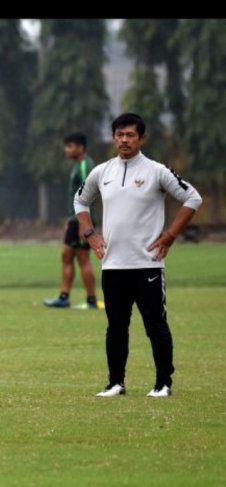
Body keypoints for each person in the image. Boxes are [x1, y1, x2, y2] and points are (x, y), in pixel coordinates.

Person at [74, 113, 202, 398]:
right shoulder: (101, 172)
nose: (124, 140)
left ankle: (163, 383)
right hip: (113, 265)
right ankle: (116, 383)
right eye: (119, 134)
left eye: (130, 135)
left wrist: (170, 235)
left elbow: (192, 197)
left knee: (155, 325)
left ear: (141, 138)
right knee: (116, 327)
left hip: (147, 264)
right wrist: (89, 233)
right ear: (113, 137)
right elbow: (80, 200)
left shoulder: (156, 171)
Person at [44, 132, 99, 309]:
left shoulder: (84, 166)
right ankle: (64, 297)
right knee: (67, 255)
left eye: (70, 146)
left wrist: (84, 224)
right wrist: (70, 218)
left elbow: (88, 195)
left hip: (82, 220)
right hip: (75, 219)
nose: (66, 150)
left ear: (80, 148)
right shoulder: (77, 165)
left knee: (83, 258)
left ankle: (91, 300)